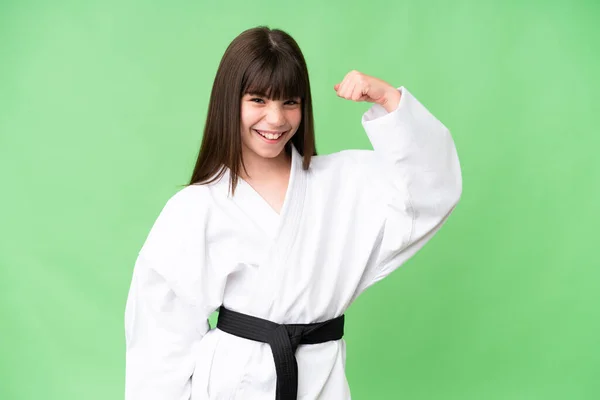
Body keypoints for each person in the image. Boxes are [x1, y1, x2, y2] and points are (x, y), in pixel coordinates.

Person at [124, 26, 462, 400]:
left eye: (290, 102)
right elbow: (161, 337)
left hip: (321, 380)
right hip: (233, 385)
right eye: (257, 100)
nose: (275, 119)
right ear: (229, 101)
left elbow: (432, 189)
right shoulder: (197, 206)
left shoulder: (343, 182)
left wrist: (387, 99)